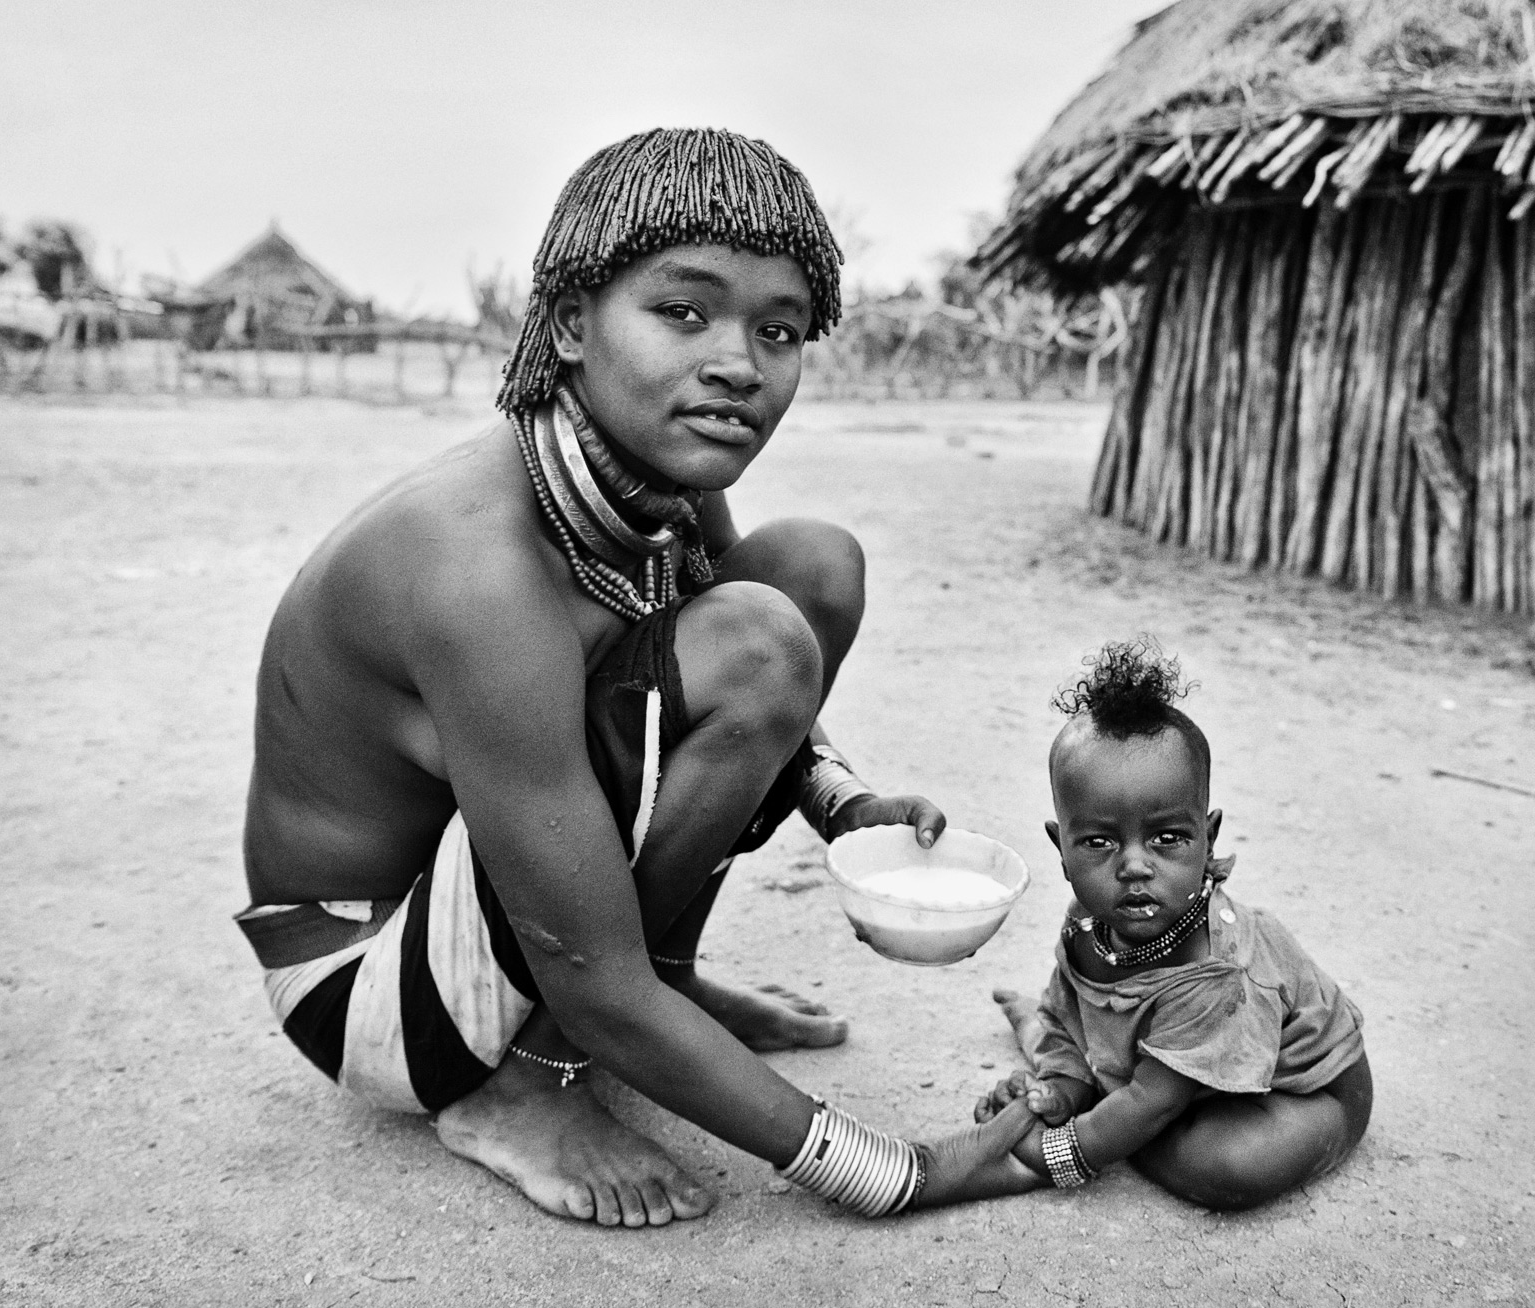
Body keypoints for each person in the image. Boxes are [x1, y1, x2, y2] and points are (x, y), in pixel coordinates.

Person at [237, 128, 1038, 1228]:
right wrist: (901, 1169)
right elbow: (731, 682)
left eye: (778, 329)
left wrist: (843, 805)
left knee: (809, 570)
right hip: (368, 975)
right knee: (756, 634)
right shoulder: (476, 570)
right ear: (569, 323)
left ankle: (659, 969)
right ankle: (525, 1083)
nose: (737, 363)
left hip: (497, 883)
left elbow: (728, 689)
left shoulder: (655, 475)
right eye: (682, 311)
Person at [979, 639, 1372, 1209]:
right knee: (1090, 1067)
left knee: (1232, 1169)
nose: (1134, 866)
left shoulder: (1216, 968)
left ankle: (1119, 1100)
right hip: (1179, 1074)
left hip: (1303, 1095)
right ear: (1060, 848)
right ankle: (1112, 1092)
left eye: (1168, 838)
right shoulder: (1089, 925)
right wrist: (1062, 1086)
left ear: (1207, 839)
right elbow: (1072, 1014)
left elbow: (1141, 1103)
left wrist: (1056, 1148)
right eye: (1098, 841)